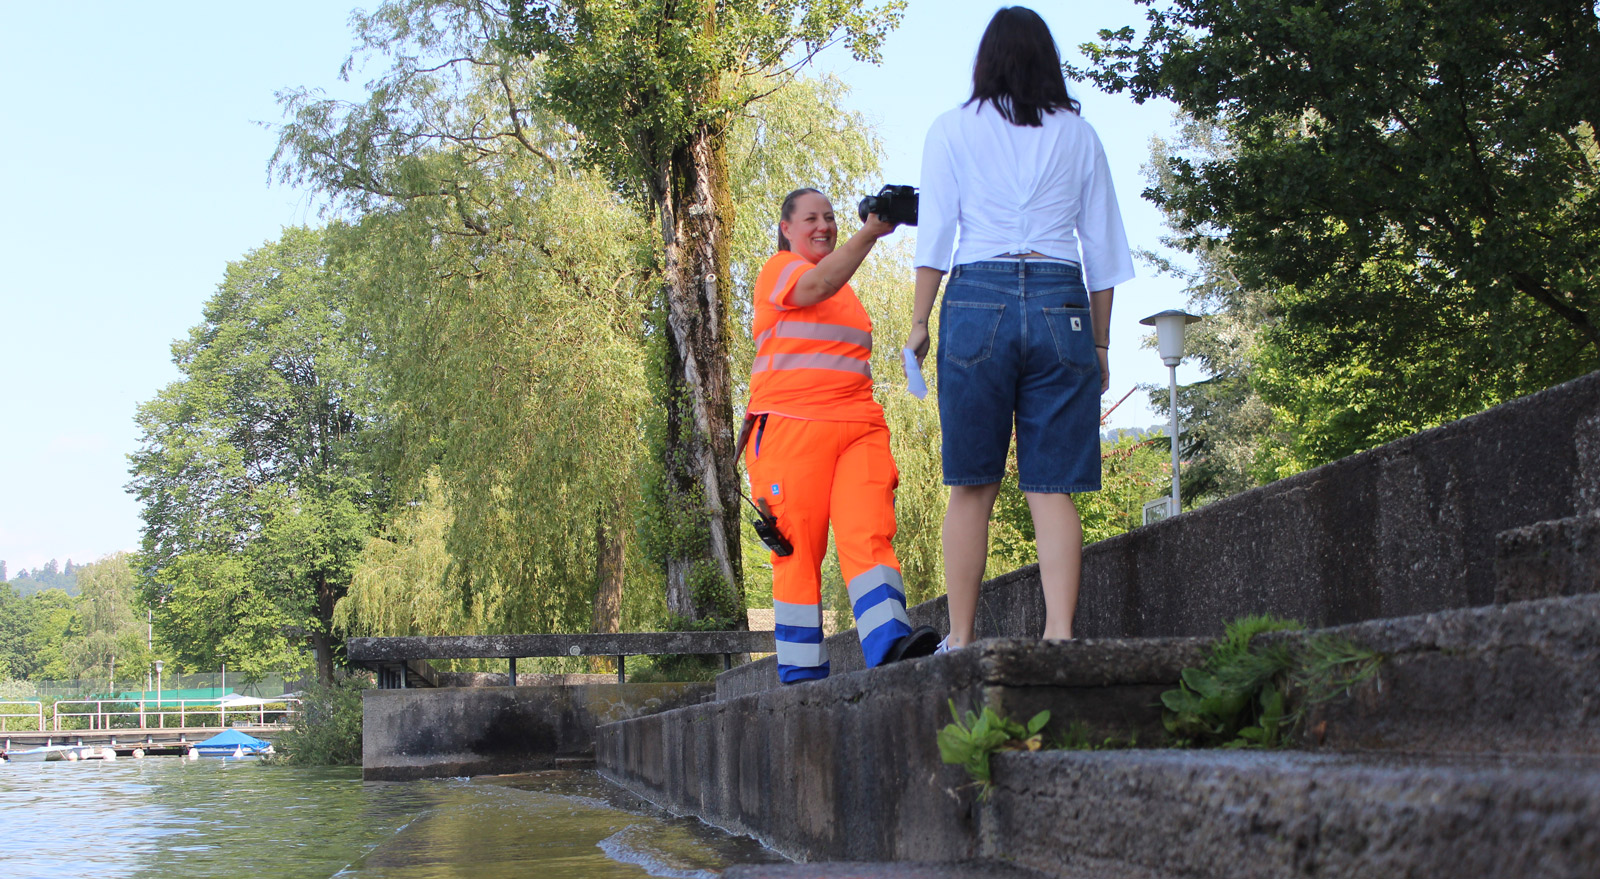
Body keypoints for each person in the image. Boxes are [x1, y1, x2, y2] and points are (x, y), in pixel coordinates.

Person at [906, 6, 1136, 651]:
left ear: (986, 59)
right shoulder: (1079, 135)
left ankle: (961, 636)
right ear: (1048, 61)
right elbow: (1104, 249)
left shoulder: (951, 128)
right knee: (1053, 484)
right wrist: (1099, 343)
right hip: (1062, 299)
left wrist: (921, 321)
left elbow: (936, 237)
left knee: (972, 484)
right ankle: (1060, 635)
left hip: (978, 295)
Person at [746, 188, 941, 683]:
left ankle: (890, 645)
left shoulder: (846, 292)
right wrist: (872, 232)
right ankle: (802, 679)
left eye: (831, 217)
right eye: (811, 218)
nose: (824, 225)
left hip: (857, 427)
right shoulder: (781, 270)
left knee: (868, 533)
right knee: (799, 554)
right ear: (786, 229)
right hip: (790, 430)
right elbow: (814, 287)